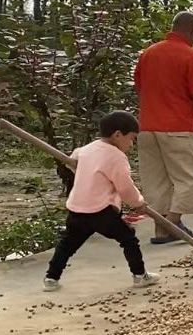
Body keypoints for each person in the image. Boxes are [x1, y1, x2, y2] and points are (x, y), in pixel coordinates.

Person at [44, 111, 157, 291]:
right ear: (118, 135)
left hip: (77, 209)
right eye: (131, 139)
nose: (131, 144)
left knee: (68, 243)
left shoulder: (86, 149)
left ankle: (51, 278)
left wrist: (79, 165)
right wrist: (138, 203)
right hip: (101, 212)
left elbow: (71, 160)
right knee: (128, 239)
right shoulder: (116, 157)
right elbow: (125, 187)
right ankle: (139, 275)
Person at [133, 11, 193, 244]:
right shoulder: (190, 56)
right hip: (178, 127)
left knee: (157, 181)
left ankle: (162, 231)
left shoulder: (148, 53)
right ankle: (173, 222)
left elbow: (139, 87)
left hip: (148, 127)